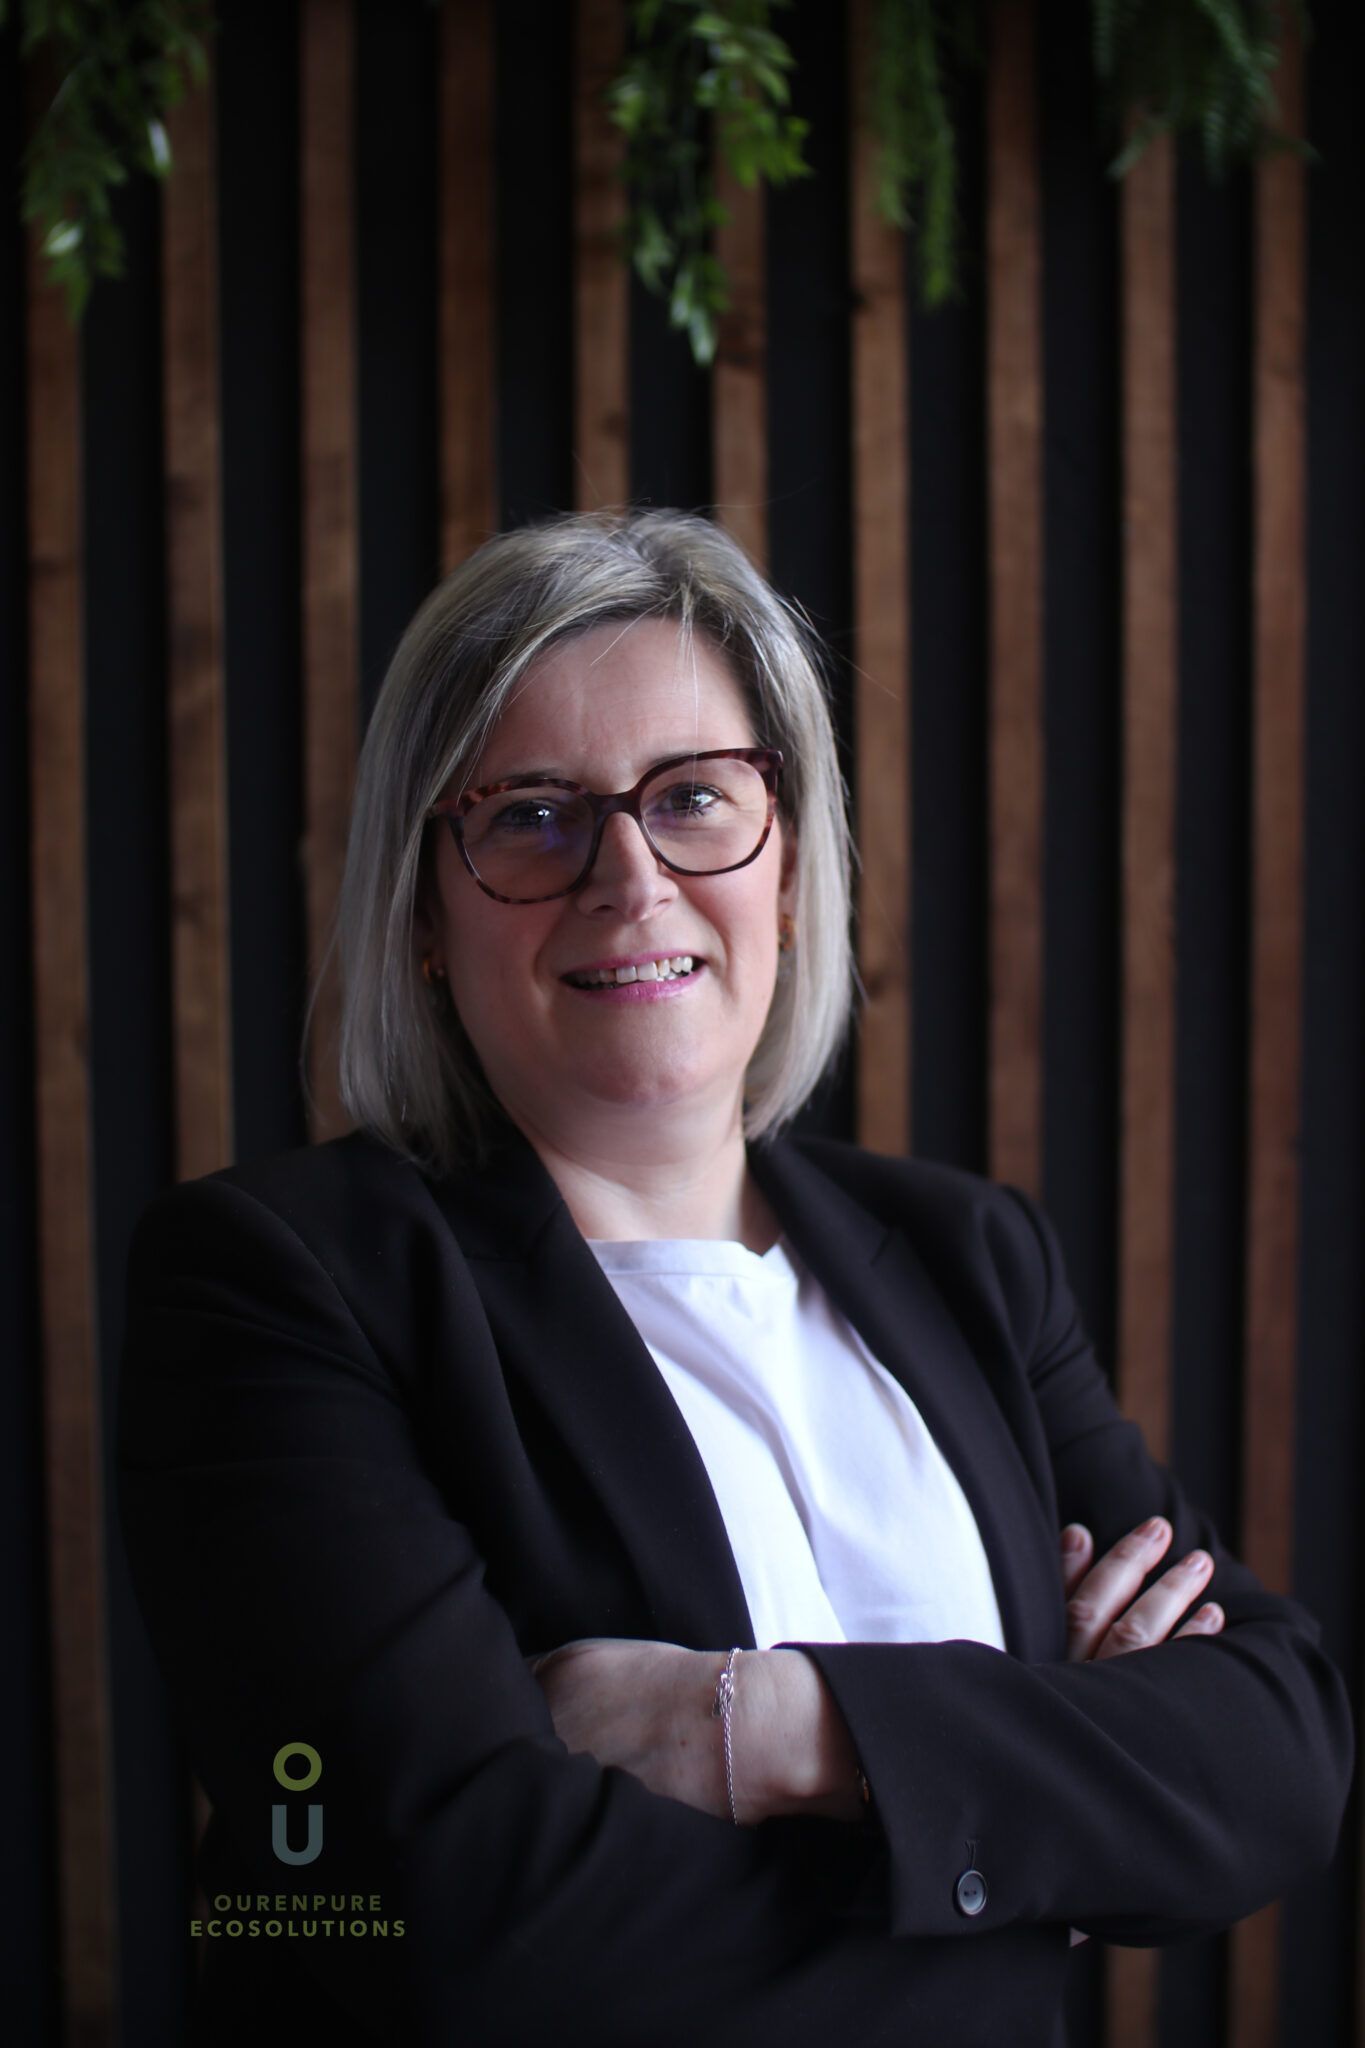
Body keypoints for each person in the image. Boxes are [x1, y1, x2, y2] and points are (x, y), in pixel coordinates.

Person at [117, 509, 1352, 2048]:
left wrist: (768, 1731)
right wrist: (1032, 1824)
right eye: (531, 816)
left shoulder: (971, 1259)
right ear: (426, 911)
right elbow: (441, 1930)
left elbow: (1278, 1758)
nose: (628, 881)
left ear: (786, 866)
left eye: (693, 798)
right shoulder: (277, 1283)